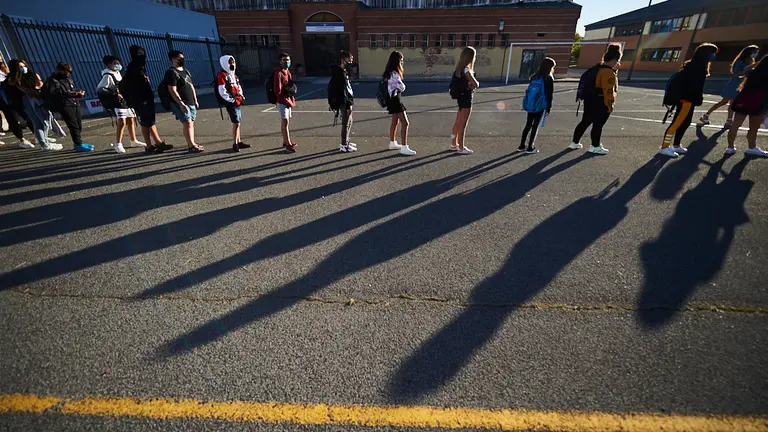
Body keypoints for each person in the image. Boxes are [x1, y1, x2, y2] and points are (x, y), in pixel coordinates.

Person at [659, 43, 719, 158]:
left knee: (685, 123)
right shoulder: (696, 68)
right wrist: (697, 98)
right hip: (685, 100)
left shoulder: (696, 66)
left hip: (689, 100)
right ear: (706, 54)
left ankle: (676, 145)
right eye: (713, 53)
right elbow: (693, 86)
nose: (713, 56)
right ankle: (665, 147)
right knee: (677, 123)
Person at [568, 43, 621, 155]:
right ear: (614, 60)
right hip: (600, 101)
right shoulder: (608, 73)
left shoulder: (597, 68)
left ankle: (575, 142)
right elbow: (609, 90)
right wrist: (610, 104)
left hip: (590, 99)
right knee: (598, 124)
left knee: (585, 121)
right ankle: (595, 146)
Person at [122, 45, 172, 153]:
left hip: (146, 97)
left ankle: (158, 142)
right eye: (139, 53)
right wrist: (141, 99)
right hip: (141, 99)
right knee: (145, 122)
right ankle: (149, 146)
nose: (142, 56)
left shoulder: (140, 66)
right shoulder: (134, 67)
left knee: (150, 121)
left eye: (142, 53)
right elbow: (135, 86)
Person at [6, 60, 62, 151]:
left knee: (44, 122)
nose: (23, 68)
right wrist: (38, 90)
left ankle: (44, 140)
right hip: (29, 101)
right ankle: (44, 144)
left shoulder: (30, 76)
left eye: (24, 66)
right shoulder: (15, 80)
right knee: (39, 123)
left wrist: (39, 84)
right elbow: (28, 92)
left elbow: (40, 85)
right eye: (20, 67)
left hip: (36, 99)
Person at [700, 45, 759, 128]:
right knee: (724, 102)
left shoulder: (750, 62)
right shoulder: (739, 62)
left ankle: (729, 121)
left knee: (732, 104)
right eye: (754, 52)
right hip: (734, 85)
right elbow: (736, 74)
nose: (755, 54)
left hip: (741, 85)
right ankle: (706, 115)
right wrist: (749, 69)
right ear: (749, 52)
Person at [97, 55, 146, 153]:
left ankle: (133, 140)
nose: (118, 65)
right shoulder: (108, 75)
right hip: (117, 102)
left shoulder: (118, 73)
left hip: (125, 100)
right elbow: (100, 89)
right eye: (115, 63)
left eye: (118, 63)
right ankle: (118, 144)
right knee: (122, 122)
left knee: (131, 120)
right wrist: (114, 93)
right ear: (109, 64)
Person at [46, 62, 95, 152]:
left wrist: (78, 94)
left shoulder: (69, 80)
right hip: (64, 105)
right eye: (66, 72)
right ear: (59, 70)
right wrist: (71, 94)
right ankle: (78, 144)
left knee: (79, 124)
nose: (68, 74)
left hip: (74, 103)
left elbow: (72, 90)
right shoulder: (53, 81)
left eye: (69, 72)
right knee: (73, 125)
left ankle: (78, 142)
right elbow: (54, 94)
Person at [727, 55, 768, 157]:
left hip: (743, 99)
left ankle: (730, 147)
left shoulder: (753, 72)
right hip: (759, 102)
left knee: (735, 124)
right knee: (753, 128)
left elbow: (745, 69)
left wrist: (758, 63)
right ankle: (751, 147)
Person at [165, 50, 203, 152]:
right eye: (180, 58)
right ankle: (191, 146)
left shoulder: (185, 71)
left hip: (190, 101)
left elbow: (191, 86)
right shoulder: (171, 73)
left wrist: (195, 99)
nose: (182, 60)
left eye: (183, 58)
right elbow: (172, 89)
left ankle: (193, 143)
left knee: (191, 123)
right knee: (187, 123)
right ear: (173, 59)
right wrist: (181, 103)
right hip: (181, 103)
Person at [519, 57, 555, 155]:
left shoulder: (535, 76)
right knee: (535, 126)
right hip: (540, 104)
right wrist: (549, 107)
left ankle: (522, 145)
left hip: (531, 103)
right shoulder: (548, 78)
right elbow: (550, 94)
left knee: (528, 124)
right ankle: (530, 147)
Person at [383, 51, 416, 156]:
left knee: (395, 122)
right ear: (397, 61)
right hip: (396, 100)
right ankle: (404, 147)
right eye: (401, 60)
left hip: (391, 100)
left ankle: (392, 142)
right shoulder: (394, 73)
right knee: (405, 123)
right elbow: (402, 87)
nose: (402, 62)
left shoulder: (388, 72)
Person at [216, 55, 249, 153]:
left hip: (237, 101)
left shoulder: (234, 76)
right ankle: (235, 143)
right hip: (231, 103)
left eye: (233, 62)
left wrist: (241, 97)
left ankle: (239, 141)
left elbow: (239, 87)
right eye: (230, 63)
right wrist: (232, 100)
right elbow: (222, 91)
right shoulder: (222, 75)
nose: (232, 65)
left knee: (238, 122)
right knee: (236, 123)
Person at [450, 46, 480, 155]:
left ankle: (453, 143)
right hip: (466, 99)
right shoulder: (467, 70)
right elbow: (476, 84)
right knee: (463, 124)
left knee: (457, 123)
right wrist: (473, 84)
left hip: (460, 98)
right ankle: (461, 147)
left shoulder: (459, 69)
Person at [0, 60, 34, 148]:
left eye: (1, 60)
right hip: (5, 100)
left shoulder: (4, 71)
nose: (1, 62)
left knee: (28, 117)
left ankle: (38, 136)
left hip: (13, 98)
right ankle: (22, 140)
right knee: (13, 119)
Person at [328, 50, 357, 153]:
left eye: (351, 60)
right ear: (343, 60)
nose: (351, 62)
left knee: (350, 121)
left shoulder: (344, 71)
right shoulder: (338, 73)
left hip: (347, 100)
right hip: (343, 101)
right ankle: (343, 144)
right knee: (346, 123)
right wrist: (347, 104)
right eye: (349, 60)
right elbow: (341, 91)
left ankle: (346, 141)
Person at [274, 53, 297, 153]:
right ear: (280, 61)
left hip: (288, 99)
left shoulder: (287, 72)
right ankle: (288, 144)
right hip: (283, 101)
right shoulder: (278, 73)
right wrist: (285, 100)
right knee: (285, 121)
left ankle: (285, 141)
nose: (286, 62)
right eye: (284, 60)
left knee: (286, 121)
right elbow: (278, 90)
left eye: (288, 60)